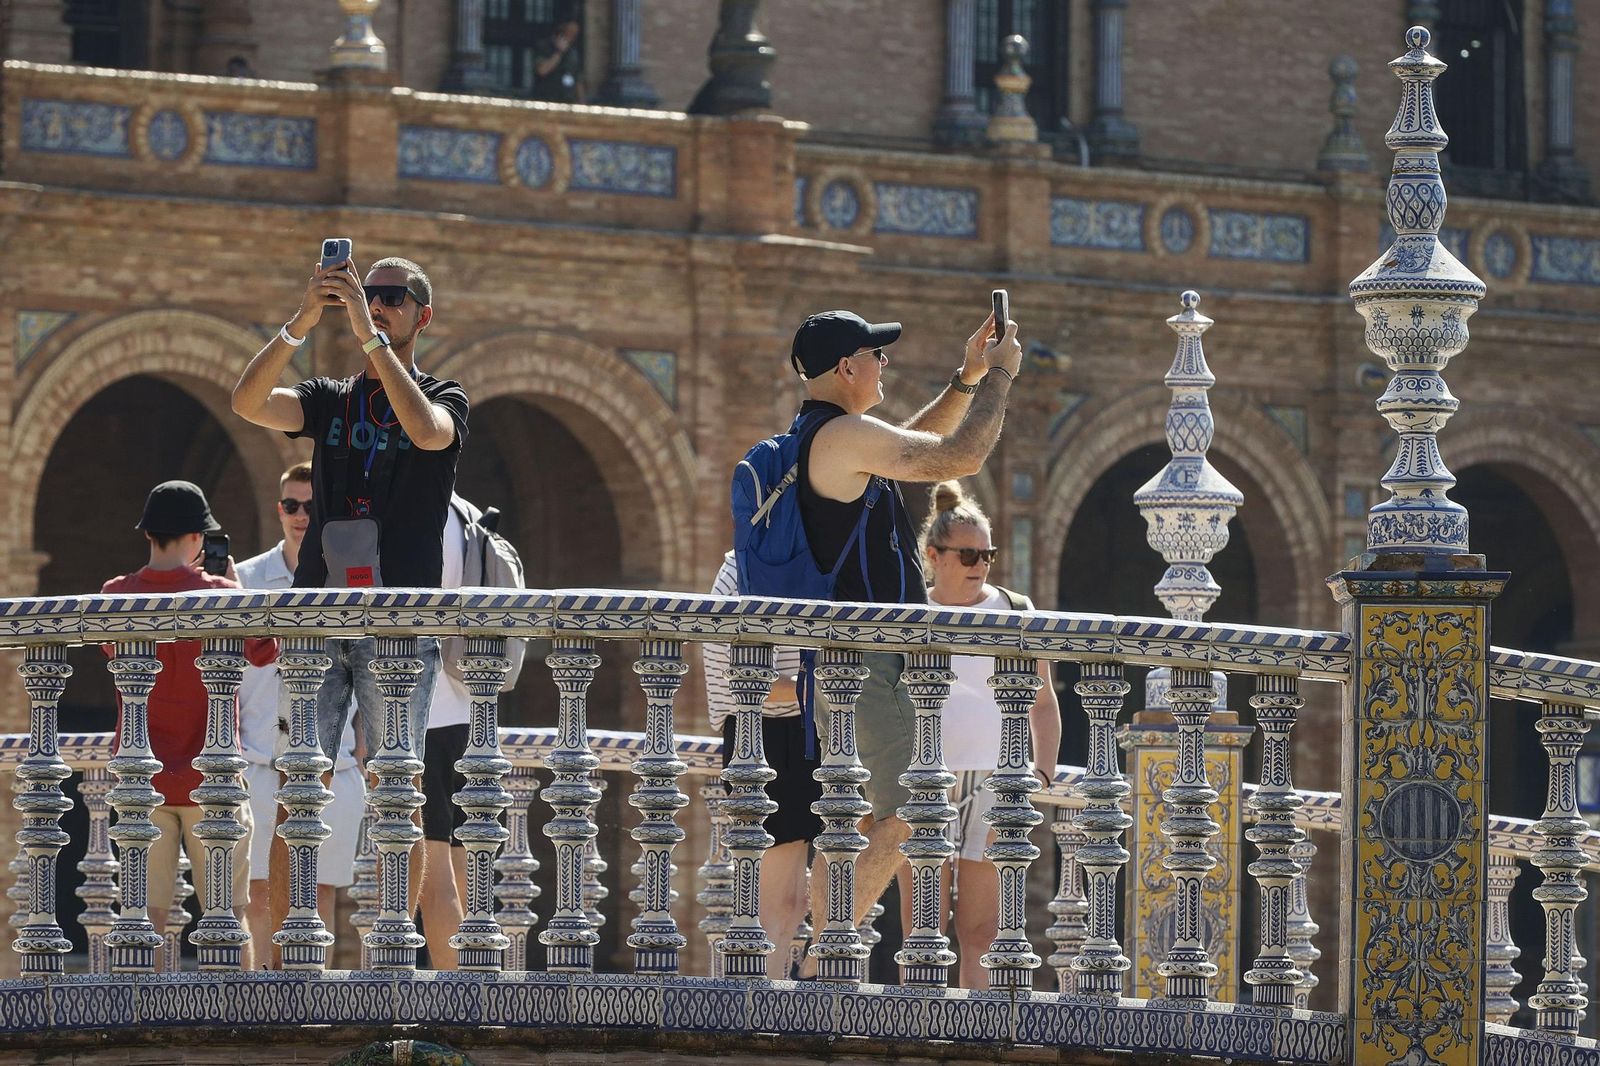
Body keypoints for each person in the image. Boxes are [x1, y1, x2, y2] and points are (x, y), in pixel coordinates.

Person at [231, 251, 469, 923]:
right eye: (371, 293)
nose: (382, 303)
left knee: (398, 784)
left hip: (399, 621)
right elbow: (247, 403)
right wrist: (301, 322)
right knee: (298, 782)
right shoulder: (330, 400)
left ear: (424, 315)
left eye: (395, 296)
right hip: (317, 613)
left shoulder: (447, 397)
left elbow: (427, 432)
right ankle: (291, 957)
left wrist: (369, 336)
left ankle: (393, 947)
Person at [786, 306, 1022, 926]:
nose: (884, 364)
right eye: (875, 355)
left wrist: (967, 379)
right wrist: (1001, 377)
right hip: (870, 661)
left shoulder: (829, 437)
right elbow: (957, 457)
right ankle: (817, 954)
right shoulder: (840, 436)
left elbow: (915, 441)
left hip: (855, 657)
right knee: (914, 809)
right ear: (846, 366)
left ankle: (809, 950)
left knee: (872, 818)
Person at [100, 480, 277, 967]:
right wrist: (234, 590)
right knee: (228, 914)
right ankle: (236, 1019)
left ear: (148, 534)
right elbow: (266, 651)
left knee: (144, 919)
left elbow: (111, 652)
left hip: (143, 780)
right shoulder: (220, 594)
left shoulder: (116, 595)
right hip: (212, 779)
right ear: (199, 539)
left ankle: (143, 1024)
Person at [892, 481, 1060, 988]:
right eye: (968, 554)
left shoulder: (1016, 610)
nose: (980, 564)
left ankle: (970, 1042)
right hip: (923, 780)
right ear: (934, 556)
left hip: (996, 780)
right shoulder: (909, 612)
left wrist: (1043, 772)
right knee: (922, 928)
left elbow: (1044, 699)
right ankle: (918, 1038)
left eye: (987, 553)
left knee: (982, 930)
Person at [235, 461, 366, 967]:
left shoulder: (349, 578)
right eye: (291, 505)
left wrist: (361, 737)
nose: (300, 515)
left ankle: (314, 1006)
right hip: (261, 760)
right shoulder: (245, 578)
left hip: (335, 767)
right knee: (264, 891)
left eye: (311, 507)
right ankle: (268, 1005)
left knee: (323, 894)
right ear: (279, 509)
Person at [703, 550, 820, 979]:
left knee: (795, 902)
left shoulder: (819, 561)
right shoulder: (740, 566)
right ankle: (757, 1012)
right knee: (770, 902)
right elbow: (742, 679)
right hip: (761, 734)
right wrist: (821, 688)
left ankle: (781, 1005)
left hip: (813, 732)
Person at [415, 495, 482, 970]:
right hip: (470, 709)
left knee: (428, 879)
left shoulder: (420, 513)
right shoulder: (468, 516)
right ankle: (474, 998)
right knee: (466, 878)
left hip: (422, 712)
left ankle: (457, 1005)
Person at [532, 19, 583, 103]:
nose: (572, 36)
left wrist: (582, 103)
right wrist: (559, 53)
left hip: (567, 100)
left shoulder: (573, 53)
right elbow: (542, 71)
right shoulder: (543, 46)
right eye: (570, 32)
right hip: (546, 100)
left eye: (575, 34)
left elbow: (578, 80)